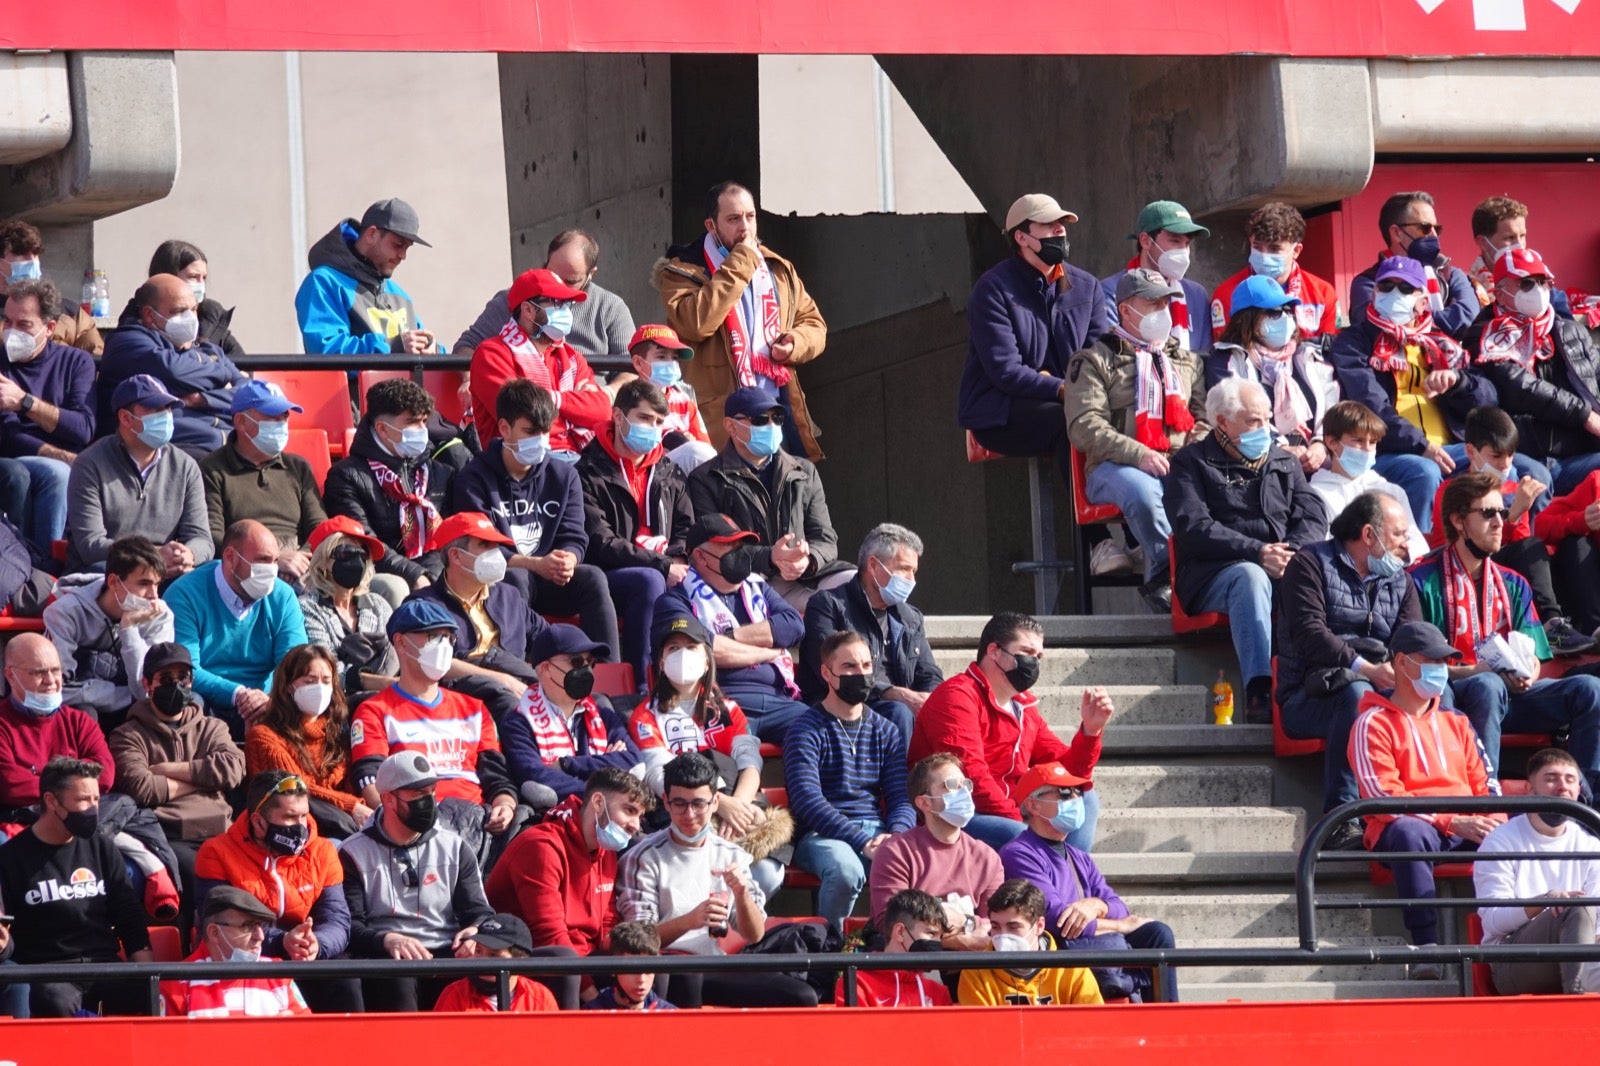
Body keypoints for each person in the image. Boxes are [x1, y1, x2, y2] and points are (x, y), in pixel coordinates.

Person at [1411, 472, 1600, 794]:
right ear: (1458, 521)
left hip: (1512, 695)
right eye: (1488, 514)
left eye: (1502, 511)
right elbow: (1416, 668)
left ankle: (1586, 805)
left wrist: (1527, 672)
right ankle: (1483, 798)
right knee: (1487, 684)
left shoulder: (1514, 582)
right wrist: (1481, 671)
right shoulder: (1419, 580)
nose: (1500, 521)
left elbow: (1538, 656)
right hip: (1453, 698)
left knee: (1591, 689)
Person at [1167, 377, 1330, 722]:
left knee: (1324, 573)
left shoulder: (1283, 461)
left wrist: (1291, 553)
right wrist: (1258, 551)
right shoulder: (1189, 463)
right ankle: (1259, 691)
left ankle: (1325, 682)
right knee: (1250, 576)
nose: (1265, 428)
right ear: (1222, 422)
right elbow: (1193, 527)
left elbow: (1313, 514)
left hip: (1283, 563)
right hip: (1213, 572)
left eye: (1267, 419)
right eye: (1253, 421)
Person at [1349, 620, 1501, 964]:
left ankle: (1514, 937)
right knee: (1408, 832)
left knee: (1526, 825)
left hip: (1460, 827)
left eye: (1444, 662)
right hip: (1413, 829)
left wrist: (1496, 823)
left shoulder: (1457, 721)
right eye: (1432, 661)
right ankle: (1426, 947)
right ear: (1401, 662)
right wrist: (1450, 822)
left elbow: (1487, 783)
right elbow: (1384, 799)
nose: (1441, 670)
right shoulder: (1371, 723)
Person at [617, 751, 818, 1008]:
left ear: (715, 803)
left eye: (698, 804)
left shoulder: (731, 854)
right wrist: (690, 921)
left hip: (714, 963)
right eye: (680, 803)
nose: (689, 814)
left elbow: (754, 934)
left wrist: (742, 894)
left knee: (801, 996)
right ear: (665, 802)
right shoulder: (643, 857)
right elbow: (637, 942)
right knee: (684, 979)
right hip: (663, 967)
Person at [1276, 492, 1421, 844]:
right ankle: (1342, 816)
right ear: (1369, 535)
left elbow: (1414, 640)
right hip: (1309, 694)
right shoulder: (1310, 563)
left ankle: (1431, 806)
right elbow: (1311, 634)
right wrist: (1366, 668)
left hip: (1381, 686)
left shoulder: (1400, 579)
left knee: (1438, 692)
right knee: (1359, 694)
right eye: (1399, 534)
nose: (1407, 542)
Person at [1066, 267, 1210, 609]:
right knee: (1146, 493)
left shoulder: (1187, 361)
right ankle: (1171, 578)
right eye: (1152, 303)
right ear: (1126, 309)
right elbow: (1085, 425)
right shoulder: (1093, 360)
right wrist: (1138, 454)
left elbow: (1204, 418)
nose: (1162, 311)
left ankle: (1175, 584)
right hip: (1114, 467)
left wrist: (1189, 456)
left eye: (1165, 303)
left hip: (1177, 462)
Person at [653, 180, 828, 459]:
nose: (745, 228)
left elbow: (815, 325)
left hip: (776, 417)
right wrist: (742, 260)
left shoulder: (777, 269)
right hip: (721, 428)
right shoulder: (681, 272)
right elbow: (697, 322)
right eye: (733, 219)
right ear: (711, 226)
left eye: (750, 217)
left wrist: (795, 343)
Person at [910, 611, 1110, 851]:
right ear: (994, 652)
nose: (1033, 663)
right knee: (1020, 837)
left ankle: (1066, 877)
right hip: (958, 812)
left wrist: (1091, 731)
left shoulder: (1024, 706)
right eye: (1026, 653)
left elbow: (1067, 773)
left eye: (1038, 656)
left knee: (1085, 798)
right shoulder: (957, 696)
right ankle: (1062, 876)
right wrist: (1027, 826)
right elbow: (971, 776)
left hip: (1010, 810)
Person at [451, 378, 619, 659]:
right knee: (515, 578)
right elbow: (478, 547)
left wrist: (568, 559)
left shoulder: (564, 475)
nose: (539, 441)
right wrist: (534, 564)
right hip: (502, 577)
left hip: (551, 576)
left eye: (544, 432)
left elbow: (575, 535)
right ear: (504, 428)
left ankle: (609, 673)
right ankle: (519, 671)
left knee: (593, 578)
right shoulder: (474, 478)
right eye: (530, 431)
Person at [630, 613, 785, 898]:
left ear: (706, 660)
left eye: (691, 648)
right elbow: (657, 774)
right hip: (680, 810)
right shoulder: (645, 715)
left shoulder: (729, 709)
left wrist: (737, 804)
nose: (683, 655)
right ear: (661, 663)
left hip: (734, 802)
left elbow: (749, 762)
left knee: (768, 871)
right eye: (673, 649)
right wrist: (719, 804)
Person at [961, 192, 1108, 489]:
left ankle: (1137, 530)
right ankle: (1094, 534)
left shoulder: (1087, 287)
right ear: (1022, 238)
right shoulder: (992, 289)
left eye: (1062, 223)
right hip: (999, 410)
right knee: (1070, 420)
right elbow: (1005, 371)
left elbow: (1100, 357)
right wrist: (1060, 389)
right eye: (1049, 223)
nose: (1060, 230)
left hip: (1073, 398)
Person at [999, 763, 1176, 1002]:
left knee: (1157, 934)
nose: (1074, 798)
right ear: (1032, 804)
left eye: (1077, 793)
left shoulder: (1079, 856)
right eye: (1063, 793)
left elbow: (1117, 906)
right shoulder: (1019, 852)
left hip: (1090, 942)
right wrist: (1120, 926)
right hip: (1059, 948)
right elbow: (1055, 918)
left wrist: (1096, 905)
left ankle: (1165, 1021)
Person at [1424, 406, 1590, 654]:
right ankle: (1550, 628)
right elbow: (1448, 547)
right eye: (1496, 456)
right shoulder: (1453, 491)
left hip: (1505, 572)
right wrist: (1511, 515)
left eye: (1510, 456)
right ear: (1471, 451)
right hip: (1462, 570)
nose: (1505, 464)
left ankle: (1572, 625)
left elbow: (1521, 548)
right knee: (1532, 548)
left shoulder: (1513, 489)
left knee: (1548, 549)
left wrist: (1518, 513)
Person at [485, 767, 654, 1009]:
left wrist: (630, 961)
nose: (635, 825)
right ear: (597, 803)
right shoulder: (541, 846)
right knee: (565, 960)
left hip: (581, 958)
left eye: (640, 816)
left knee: (649, 962)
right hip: (525, 957)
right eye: (629, 811)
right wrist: (597, 1000)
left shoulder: (606, 851)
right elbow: (549, 935)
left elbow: (607, 924)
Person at [349, 599, 518, 839]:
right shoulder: (374, 711)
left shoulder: (475, 709)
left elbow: (496, 775)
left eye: (448, 638)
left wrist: (505, 805)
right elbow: (370, 780)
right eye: (433, 636)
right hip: (418, 823)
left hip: (479, 823)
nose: (443, 646)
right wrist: (405, 825)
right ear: (400, 642)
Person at [340, 751, 494, 1012]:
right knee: (396, 976)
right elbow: (349, 926)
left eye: (431, 791)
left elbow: (478, 912)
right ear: (387, 799)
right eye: (417, 795)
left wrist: (475, 931)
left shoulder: (455, 847)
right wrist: (387, 940)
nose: (429, 801)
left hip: (447, 953)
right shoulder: (351, 853)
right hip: (388, 958)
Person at [785, 631, 917, 933]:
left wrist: (895, 835)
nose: (860, 674)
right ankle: (828, 953)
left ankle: (889, 952)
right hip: (821, 834)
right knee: (847, 871)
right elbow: (807, 800)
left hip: (877, 830)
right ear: (826, 673)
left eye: (866, 666)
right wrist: (862, 841)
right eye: (849, 667)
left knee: (912, 866)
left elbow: (900, 796)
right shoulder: (805, 729)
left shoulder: (886, 729)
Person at [0, 757, 152, 1017]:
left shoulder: (102, 847)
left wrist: (150, 976)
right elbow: (7, 934)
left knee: (144, 992)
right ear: (51, 801)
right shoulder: (11, 857)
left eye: (96, 800)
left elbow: (129, 918)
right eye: (83, 800)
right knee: (52, 1000)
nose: (93, 808)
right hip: (46, 971)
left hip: (104, 965)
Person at [193, 770, 352, 1007]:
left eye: (304, 816)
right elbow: (222, 925)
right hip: (243, 955)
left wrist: (316, 944)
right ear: (258, 822)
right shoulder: (216, 853)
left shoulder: (323, 851)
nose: (301, 826)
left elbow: (337, 919)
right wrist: (283, 941)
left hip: (304, 957)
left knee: (346, 981)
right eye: (290, 817)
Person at [687, 386, 854, 610]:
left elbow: (825, 537)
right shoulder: (706, 478)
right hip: (748, 582)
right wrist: (771, 557)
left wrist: (808, 560)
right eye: (759, 420)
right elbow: (715, 550)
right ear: (731, 426)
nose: (771, 426)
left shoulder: (804, 470)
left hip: (803, 578)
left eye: (777, 418)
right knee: (826, 607)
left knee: (856, 584)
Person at [650, 513, 810, 744]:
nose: (741, 553)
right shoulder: (674, 601)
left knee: (823, 734)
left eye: (741, 545)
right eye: (730, 547)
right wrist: (769, 651)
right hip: (717, 700)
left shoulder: (758, 588)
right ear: (701, 557)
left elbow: (793, 626)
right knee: (737, 754)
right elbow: (704, 651)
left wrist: (729, 637)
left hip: (780, 702)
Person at [108, 642, 245, 904]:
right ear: (147, 684)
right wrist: (204, 780)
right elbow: (141, 787)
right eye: (166, 678)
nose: (176, 684)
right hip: (170, 836)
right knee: (213, 889)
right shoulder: (128, 735)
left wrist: (167, 770)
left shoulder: (211, 727)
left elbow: (233, 769)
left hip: (222, 831)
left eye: (183, 677)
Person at [577, 378, 694, 683]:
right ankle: (643, 684)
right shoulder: (586, 472)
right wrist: (662, 564)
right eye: (644, 418)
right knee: (649, 579)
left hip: (666, 566)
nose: (652, 428)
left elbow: (687, 529)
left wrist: (677, 559)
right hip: (612, 573)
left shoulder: (669, 470)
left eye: (658, 421)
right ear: (618, 417)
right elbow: (600, 542)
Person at [1469, 247, 1600, 496]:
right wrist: (1585, 415)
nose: (1538, 290)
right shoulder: (1486, 335)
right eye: (1526, 283)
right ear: (1499, 293)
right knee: (1536, 483)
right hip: (1527, 455)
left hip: (1580, 453)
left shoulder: (1569, 330)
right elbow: (1522, 388)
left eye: (1543, 282)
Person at [163, 519, 309, 737]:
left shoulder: (283, 596)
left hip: (267, 703)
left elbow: (294, 665)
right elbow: (186, 670)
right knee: (185, 702)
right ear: (230, 557)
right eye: (263, 560)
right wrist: (239, 694)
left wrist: (268, 700)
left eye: (275, 561)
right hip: (206, 704)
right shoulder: (184, 594)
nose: (271, 569)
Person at [1474, 747, 1600, 995]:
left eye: (1570, 779)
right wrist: (1544, 901)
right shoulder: (1500, 841)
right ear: (1530, 790)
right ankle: (1578, 1004)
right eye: (1551, 778)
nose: (1562, 786)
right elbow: (1494, 921)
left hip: (1584, 951)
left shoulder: (1591, 845)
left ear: (1577, 792)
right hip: (1513, 960)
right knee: (1576, 907)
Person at [407, 510, 548, 724]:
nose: (496, 553)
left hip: (519, 684)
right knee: (508, 701)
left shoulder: (508, 596)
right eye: (485, 546)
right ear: (455, 556)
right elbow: (432, 663)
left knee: (597, 701)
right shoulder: (423, 605)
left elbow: (549, 639)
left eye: (495, 545)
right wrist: (500, 679)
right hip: (464, 696)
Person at [65, 373, 212, 577]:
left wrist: (188, 554)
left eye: (167, 409)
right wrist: (154, 556)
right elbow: (90, 546)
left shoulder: (186, 466)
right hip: (107, 576)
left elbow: (202, 539)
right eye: (156, 410)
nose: (166, 416)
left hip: (168, 571)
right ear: (125, 418)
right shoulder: (89, 464)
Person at [324, 377, 455, 601]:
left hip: (433, 566)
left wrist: (430, 573)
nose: (422, 430)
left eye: (425, 422)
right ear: (383, 429)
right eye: (413, 422)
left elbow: (452, 533)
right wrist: (415, 574)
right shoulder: (346, 477)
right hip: (378, 571)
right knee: (397, 588)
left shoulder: (439, 472)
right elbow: (366, 543)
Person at [800, 523, 943, 725]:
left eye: (914, 571)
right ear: (874, 566)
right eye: (904, 569)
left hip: (903, 709)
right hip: (844, 708)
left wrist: (928, 698)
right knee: (899, 712)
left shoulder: (910, 618)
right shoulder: (828, 606)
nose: (912, 579)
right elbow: (830, 670)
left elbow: (929, 673)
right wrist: (893, 693)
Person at [467, 268, 613, 458]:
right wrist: (576, 413)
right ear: (528, 310)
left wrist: (553, 399)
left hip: (578, 456)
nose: (566, 311)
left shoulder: (572, 358)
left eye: (566, 304)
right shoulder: (492, 354)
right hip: (523, 463)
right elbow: (525, 422)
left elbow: (602, 413)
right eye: (556, 303)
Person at [1207, 274, 1341, 476]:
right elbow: (1236, 414)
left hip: (1319, 462)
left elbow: (1333, 404)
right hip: (1260, 468)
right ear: (1247, 319)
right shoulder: (1227, 359)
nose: (1286, 318)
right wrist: (1281, 448)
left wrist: (1321, 444)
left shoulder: (1307, 355)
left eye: (1288, 311)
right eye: (1274, 312)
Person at [101, 273, 247, 457]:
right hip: (171, 453)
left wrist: (202, 399)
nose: (190, 318)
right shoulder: (127, 343)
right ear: (149, 315)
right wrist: (224, 373)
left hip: (229, 446)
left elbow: (246, 393)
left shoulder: (208, 350)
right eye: (179, 311)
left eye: (194, 309)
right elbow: (173, 371)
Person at [868, 753, 1005, 948]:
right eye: (949, 785)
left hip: (970, 968)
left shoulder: (988, 858)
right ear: (924, 803)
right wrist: (962, 932)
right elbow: (890, 922)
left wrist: (941, 926)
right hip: (912, 965)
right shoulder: (895, 852)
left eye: (965, 784)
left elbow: (994, 924)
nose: (962, 792)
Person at [0, 277, 95, 555]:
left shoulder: (77, 362)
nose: (12, 331)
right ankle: (45, 564)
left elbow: (83, 428)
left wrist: (25, 403)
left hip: (68, 459)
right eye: (8, 322)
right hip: (18, 456)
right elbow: (9, 434)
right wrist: (63, 457)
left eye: (24, 324)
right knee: (58, 473)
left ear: (50, 328)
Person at [199, 379, 326, 582]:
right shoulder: (212, 469)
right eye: (272, 418)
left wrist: (301, 560)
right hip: (247, 572)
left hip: (302, 568)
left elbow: (319, 528)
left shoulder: (298, 467)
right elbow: (213, 536)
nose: (282, 425)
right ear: (241, 421)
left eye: (284, 417)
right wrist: (271, 560)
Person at [45, 535, 174, 728]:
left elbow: (146, 692)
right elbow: (57, 689)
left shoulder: (160, 615)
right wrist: (120, 695)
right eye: (144, 583)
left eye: (157, 585)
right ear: (113, 581)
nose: (153, 595)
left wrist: (129, 629)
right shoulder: (65, 613)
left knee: (171, 707)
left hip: (133, 706)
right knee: (83, 713)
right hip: (85, 706)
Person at [500, 623, 638, 803]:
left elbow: (634, 761)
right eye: (576, 662)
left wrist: (565, 765)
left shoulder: (602, 713)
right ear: (545, 669)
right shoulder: (518, 722)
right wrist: (606, 777)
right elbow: (537, 779)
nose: (586, 670)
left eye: (590, 662)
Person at [245, 644, 370, 840]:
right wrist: (350, 806)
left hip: (347, 827)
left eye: (326, 681)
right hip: (297, 832)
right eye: (310, 681)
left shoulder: (338, 730)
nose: (319, 688)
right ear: (288, 685)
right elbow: (293, 788)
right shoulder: (264, 737)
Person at [454, 228, 637, 359]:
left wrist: (608, 393)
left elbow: (632, 368)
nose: (559, 287)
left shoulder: (612, 308)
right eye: (553, 275)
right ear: (525, 309)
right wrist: (473, 381)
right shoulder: (509, 300)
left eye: (570, 282)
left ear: (591, 274)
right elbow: (466, 347)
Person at [295, 198, 437, 356]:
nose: (403, 256)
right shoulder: (324, 283)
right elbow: (326, 351)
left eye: (407, 248)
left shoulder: (400, 296)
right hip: (353, 382)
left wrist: (433, 349)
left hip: (406, 382)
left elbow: (417, 344)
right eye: (398, 244)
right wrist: (393, 346)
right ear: (371, 234)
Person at [0, 634, 115, 817]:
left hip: (82, 817)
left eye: (55, 670)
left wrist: (44, 780)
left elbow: (105, 773)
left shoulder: (80, 721)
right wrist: (78, 782)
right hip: (19, 823)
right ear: (10, 676)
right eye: (38, 672)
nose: (51, 680)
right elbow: (9, 785)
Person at [158, 886, 311, 1018]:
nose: (260, 936)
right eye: (248, 926)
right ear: (214, 933)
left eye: (261, 926)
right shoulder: (176, 985)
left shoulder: (279, 975)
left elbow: (309, 1038)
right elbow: (165, 1048)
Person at [1349, 191, 1481, 341]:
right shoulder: (1368, 282)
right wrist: (1447, 320)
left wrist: (1407, 318)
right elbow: (1376, 327)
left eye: (1436, 229)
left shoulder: (1450, 274)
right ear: (1397, 233)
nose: (1434, 236)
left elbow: (1469, 316)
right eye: (1425, 228)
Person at [1308, 401, 1429, 563]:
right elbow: (1322, 548)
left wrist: (1393, 555)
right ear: (1332, 442)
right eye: (1358, 440)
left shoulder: (1391, 491)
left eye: (1372, 442)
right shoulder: (1317, 493)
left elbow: (1418, 544)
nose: (1367, 448)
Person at [296, 516, 399, 701]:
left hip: (387, 699)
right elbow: (327, 671)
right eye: (345, 552)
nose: (356, 560)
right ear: (324, 560)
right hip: (336, 703)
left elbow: (396, 652)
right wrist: (385, 683)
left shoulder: (378, 605)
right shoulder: (308, 607)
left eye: (362, 554)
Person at [956, 878, 1103, 1007]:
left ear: (1039, 926)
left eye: (1013, 927)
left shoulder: (1074, 972)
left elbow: (1094, 1029)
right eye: (995, 927)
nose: (1003, 936)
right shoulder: (974, 975)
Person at [1209, 201, 1342, 340]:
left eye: (1274, 249)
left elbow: (1329, 350)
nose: (1264, 256)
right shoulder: (1227, 293)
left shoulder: (1323, 294)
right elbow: (1223, 351)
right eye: (1257, 247)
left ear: (1296, 251)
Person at [1100, 199, 1214, 352]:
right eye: (1175, 241)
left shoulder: (1196, 294)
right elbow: (1110, 354)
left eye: (1187, 244)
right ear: (1146, 241)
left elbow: (1205, 357)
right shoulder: (1111, 291)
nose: (1183, 251)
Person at [834, 888, 953, 1007]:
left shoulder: (938, 992)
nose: (938, 942)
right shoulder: (856, 984)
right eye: (931, 933)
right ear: (900, 932)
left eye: (940, 936)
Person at [0, 219, 102, 354]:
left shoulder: (71, 314)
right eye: (20, 254)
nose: (31, 261)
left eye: (35, 253)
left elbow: (97, 361)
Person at [1463, 197, 1573, 319]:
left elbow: (1568, 328)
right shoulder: (1467, 289)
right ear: (1483, 242)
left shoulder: (1542, 283)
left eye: (1522, 236)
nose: (1520, 245)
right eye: (1509, 238)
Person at [624, 324, 714, 471]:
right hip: (641, 470)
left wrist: (688, 443)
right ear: (639, 363)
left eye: (674, 358)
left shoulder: (684, 400)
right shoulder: (627, 398)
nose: (671, 364)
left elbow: (706, 452)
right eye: (662, 357)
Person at [432, 913, 559, 1013]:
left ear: (519, 959)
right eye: (478, 951)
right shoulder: (455, 994)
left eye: (493, 955)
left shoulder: (540, 997)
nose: (482, 961)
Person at [146, 238, 245, 355]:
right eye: (193, 276)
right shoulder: (136, 328)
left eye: (203, 278)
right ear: (168, 276)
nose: (200, 285)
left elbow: (244, 363)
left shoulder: (210, 318)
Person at [582, 921, 677, 1010]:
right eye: (633, 970)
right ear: (614, 969)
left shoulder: (671, 1015)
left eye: (648, 969)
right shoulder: (591, 1014)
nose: (641, 979)